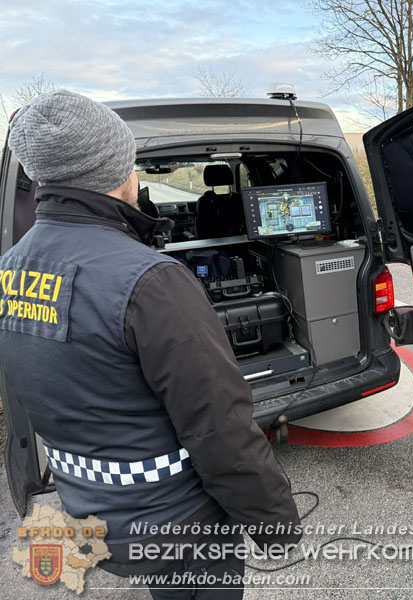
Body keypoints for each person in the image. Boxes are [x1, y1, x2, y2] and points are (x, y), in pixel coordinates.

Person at [0, 91, 301, 599]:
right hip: (183, 521)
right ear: (120, 171)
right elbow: (219, 428)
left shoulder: (10, 271)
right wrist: (274, 525)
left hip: (97, 514)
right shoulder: (150, 280)